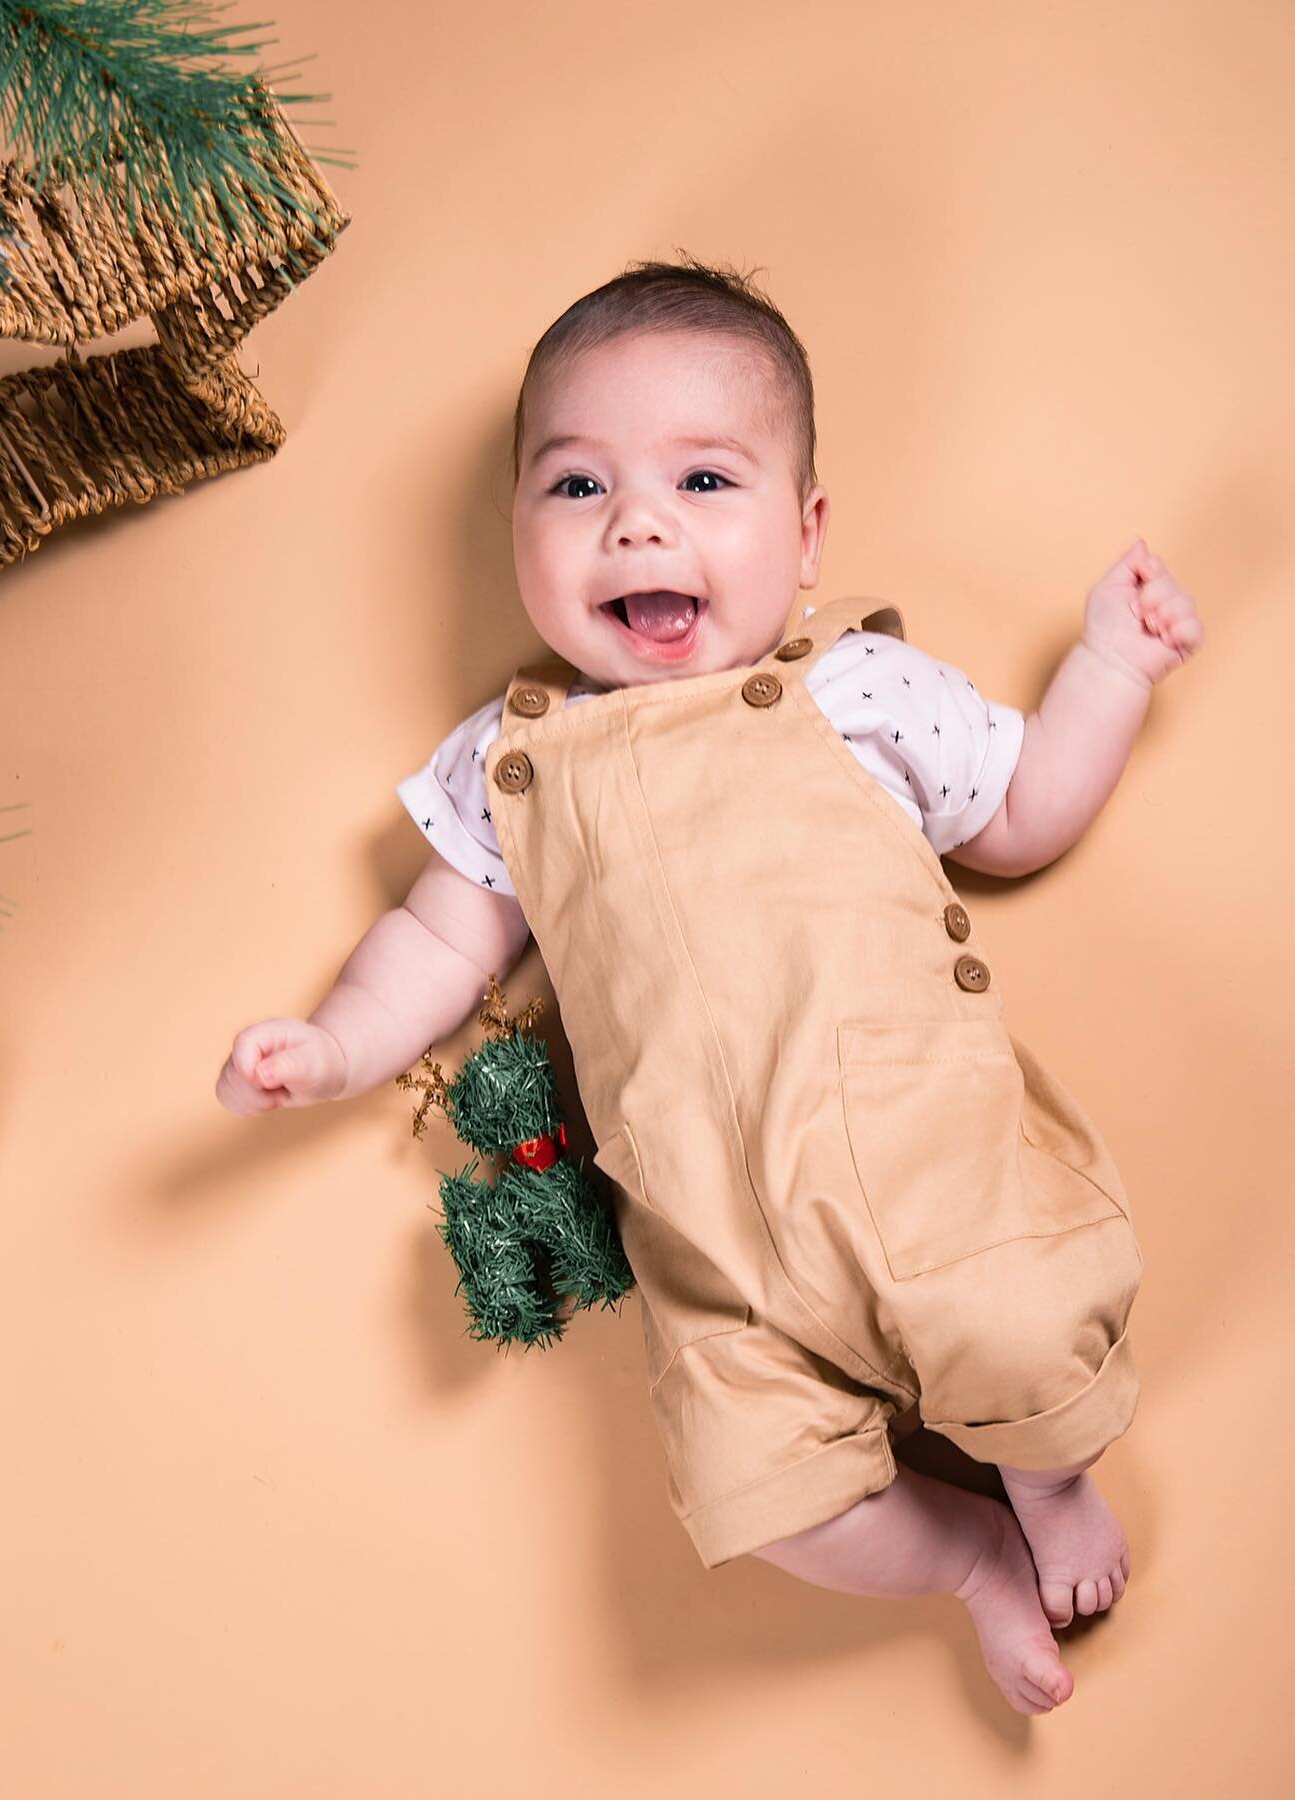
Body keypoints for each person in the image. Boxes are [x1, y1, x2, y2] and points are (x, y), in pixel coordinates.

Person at [215, 257, 1205, 1716]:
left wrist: (1112, 668)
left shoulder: (849, 691)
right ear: (519, 537)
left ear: (806, 537)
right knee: (767, 1499)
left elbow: (1020, 811)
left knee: (1022, 1330)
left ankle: (1040, 1475)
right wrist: (336, 1045)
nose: (637, 522)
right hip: (710, 1250)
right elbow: (439, 945)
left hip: (922, 1157)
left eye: (702, 480)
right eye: (575, 489)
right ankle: (972, 1557)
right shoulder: (510, 761)